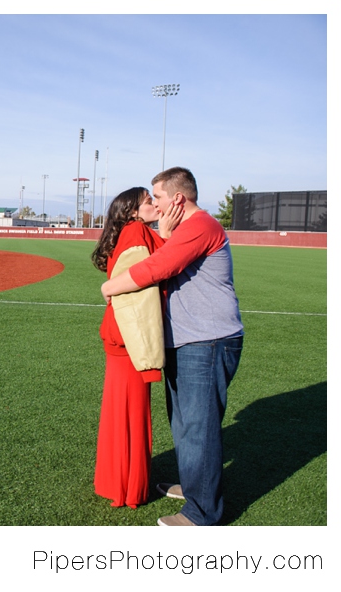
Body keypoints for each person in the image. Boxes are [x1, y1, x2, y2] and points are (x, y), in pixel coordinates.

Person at [101, 167, 244, 526]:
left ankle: (201, 514)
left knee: (199, 426)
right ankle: (194, 488)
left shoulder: (201, 227)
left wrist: (110, 287)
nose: (158, 205)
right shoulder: (184, 229)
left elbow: (157, 267)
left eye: (159, 198)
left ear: (178, 198)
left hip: (207, 341)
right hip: (188, 341)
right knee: (184, 424)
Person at [90, 187, 181, 509]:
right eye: (148, 201)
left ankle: (115, 482)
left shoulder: (127, 231)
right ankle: (128, 487)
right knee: (131, 412)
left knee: (120, 411)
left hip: (118, 334)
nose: (155, 205)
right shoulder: (138, 231)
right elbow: (166, 265)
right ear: (132, 211)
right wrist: (167, 232)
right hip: (130, 337)